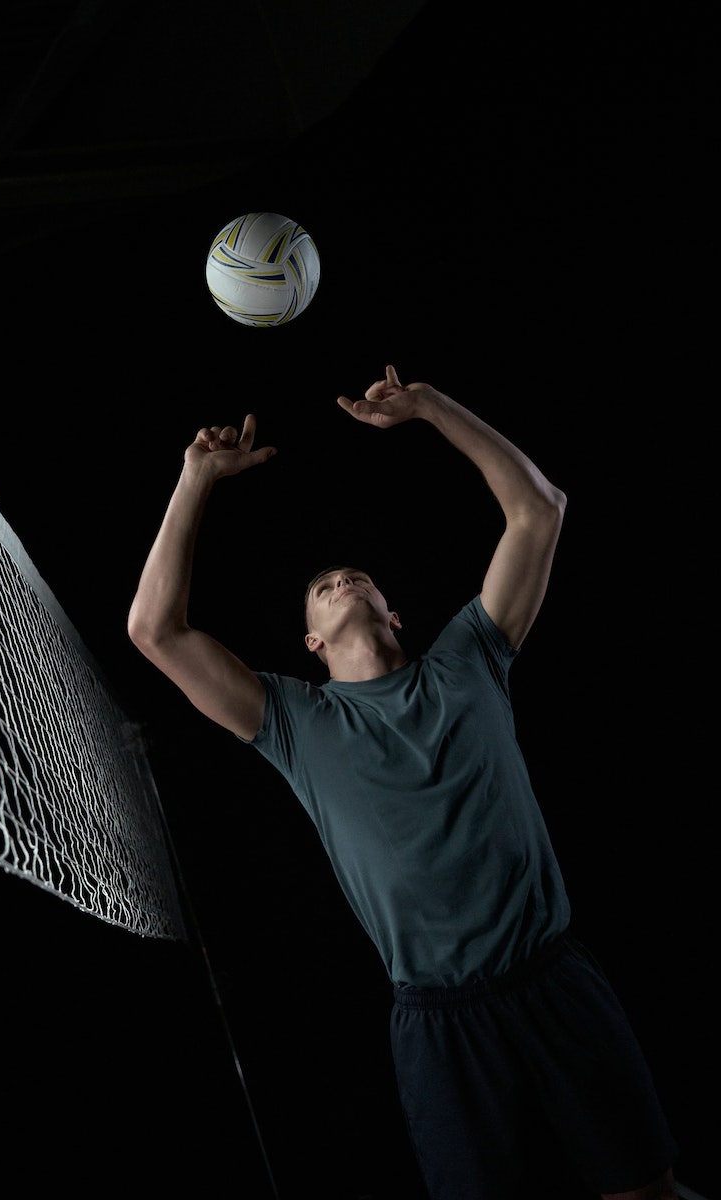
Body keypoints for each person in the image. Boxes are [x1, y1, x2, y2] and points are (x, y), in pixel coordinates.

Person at [127, 365, 679, 1200]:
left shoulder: (471, 658)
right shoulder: (292, 720)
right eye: (320, 587)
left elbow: (541, 509)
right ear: (310, 641)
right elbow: (154, 630)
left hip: (552, 976)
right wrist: (195, 476)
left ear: (394, 614)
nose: (339, 581)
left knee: (646, 1191)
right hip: (440, 1020)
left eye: (357, 578)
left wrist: (428, 407)